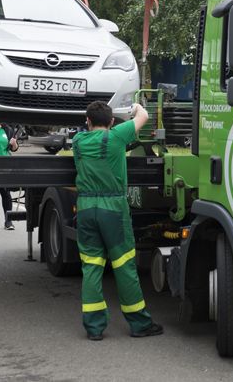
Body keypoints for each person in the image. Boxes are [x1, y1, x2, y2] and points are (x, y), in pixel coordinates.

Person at [73, 101, 163, 341]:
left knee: (91, 266)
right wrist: (134, 106)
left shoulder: (77, 142)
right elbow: (143, 115)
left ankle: (94, 328)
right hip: (112, 208)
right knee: (124, 266)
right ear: (112, 122)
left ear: (88, 121)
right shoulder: (116, 137)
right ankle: (139, 323)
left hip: (85, 207)